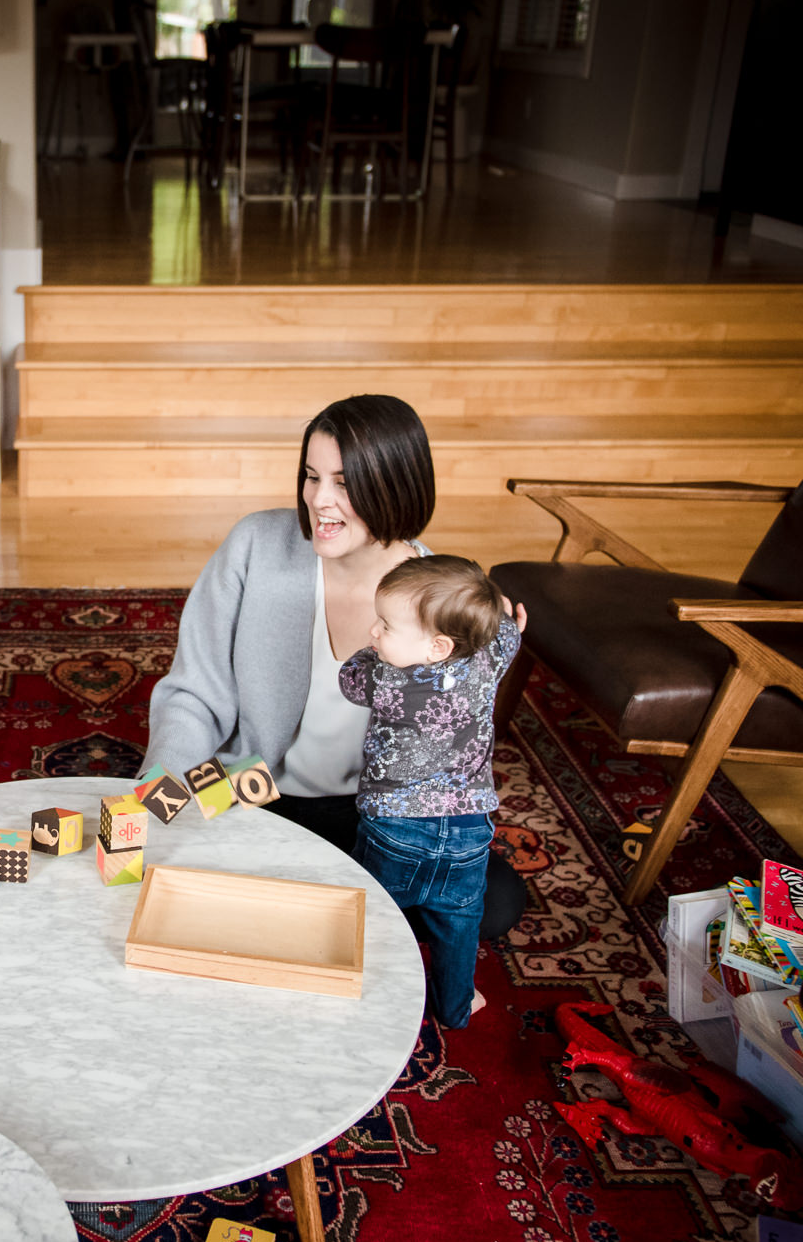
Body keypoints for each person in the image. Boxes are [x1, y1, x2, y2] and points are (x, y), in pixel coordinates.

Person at [142, 394, 529, 936]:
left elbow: (451, 742)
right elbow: (193, 693)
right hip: (253, 794)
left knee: (497, 900)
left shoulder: (442, 600)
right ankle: (326, 913)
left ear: (396, 487)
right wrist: (158, 789)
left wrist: (479, 671)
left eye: (345, 483)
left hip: (372, 819)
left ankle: (313, 909)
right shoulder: (256, 543)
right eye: (311, 476)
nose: (320, 500)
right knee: (177, 874)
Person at [339, 555, 522, 1027]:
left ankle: (363, 995)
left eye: (386, 625)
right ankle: (456, 1006)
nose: (374, 633)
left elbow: (349, 680)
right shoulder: (489, 657)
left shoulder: (386, 681)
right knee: (460, 926)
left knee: (375, 913)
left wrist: (363, 653)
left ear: (439, 646)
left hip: (395, 830)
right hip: (469, 834)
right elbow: (507, 631)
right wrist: (500, 620)